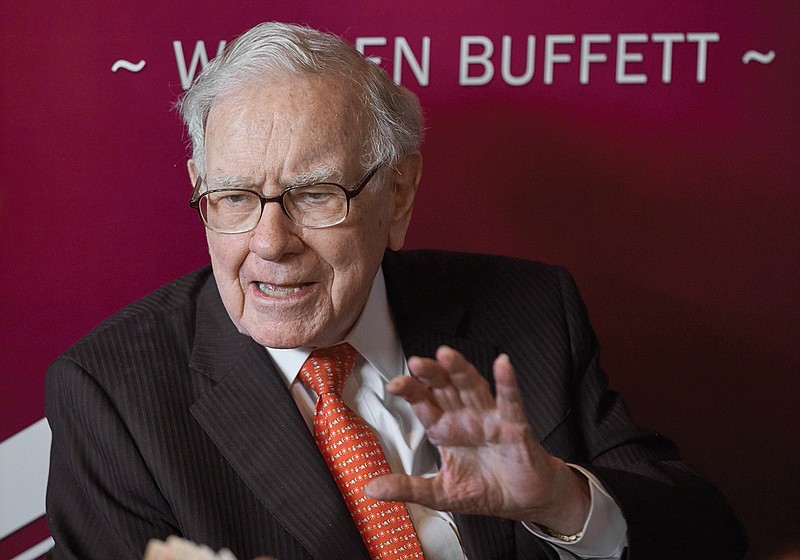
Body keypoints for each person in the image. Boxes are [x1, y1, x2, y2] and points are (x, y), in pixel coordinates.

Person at [45, 21, 746, 560]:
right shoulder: (113, 396)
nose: (268, 242)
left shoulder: (533, 313)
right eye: (232, 198)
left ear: (398, 195)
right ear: (200, 191)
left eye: (315, 195)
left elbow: (711, 539)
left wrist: (561, 499)